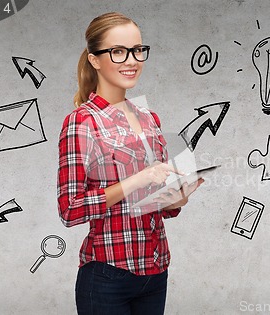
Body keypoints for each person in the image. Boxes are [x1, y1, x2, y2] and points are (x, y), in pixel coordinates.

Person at [57, 12, 203, 315]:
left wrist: (176, 197)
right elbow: (70, 210)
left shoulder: (149, 118)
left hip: (155, 268)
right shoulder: (82, 123)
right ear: (95, 59)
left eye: (137, 50)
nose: (132, 60)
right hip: (108, 273)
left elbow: (155, 204)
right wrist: (138, 179)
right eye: (118, 51)